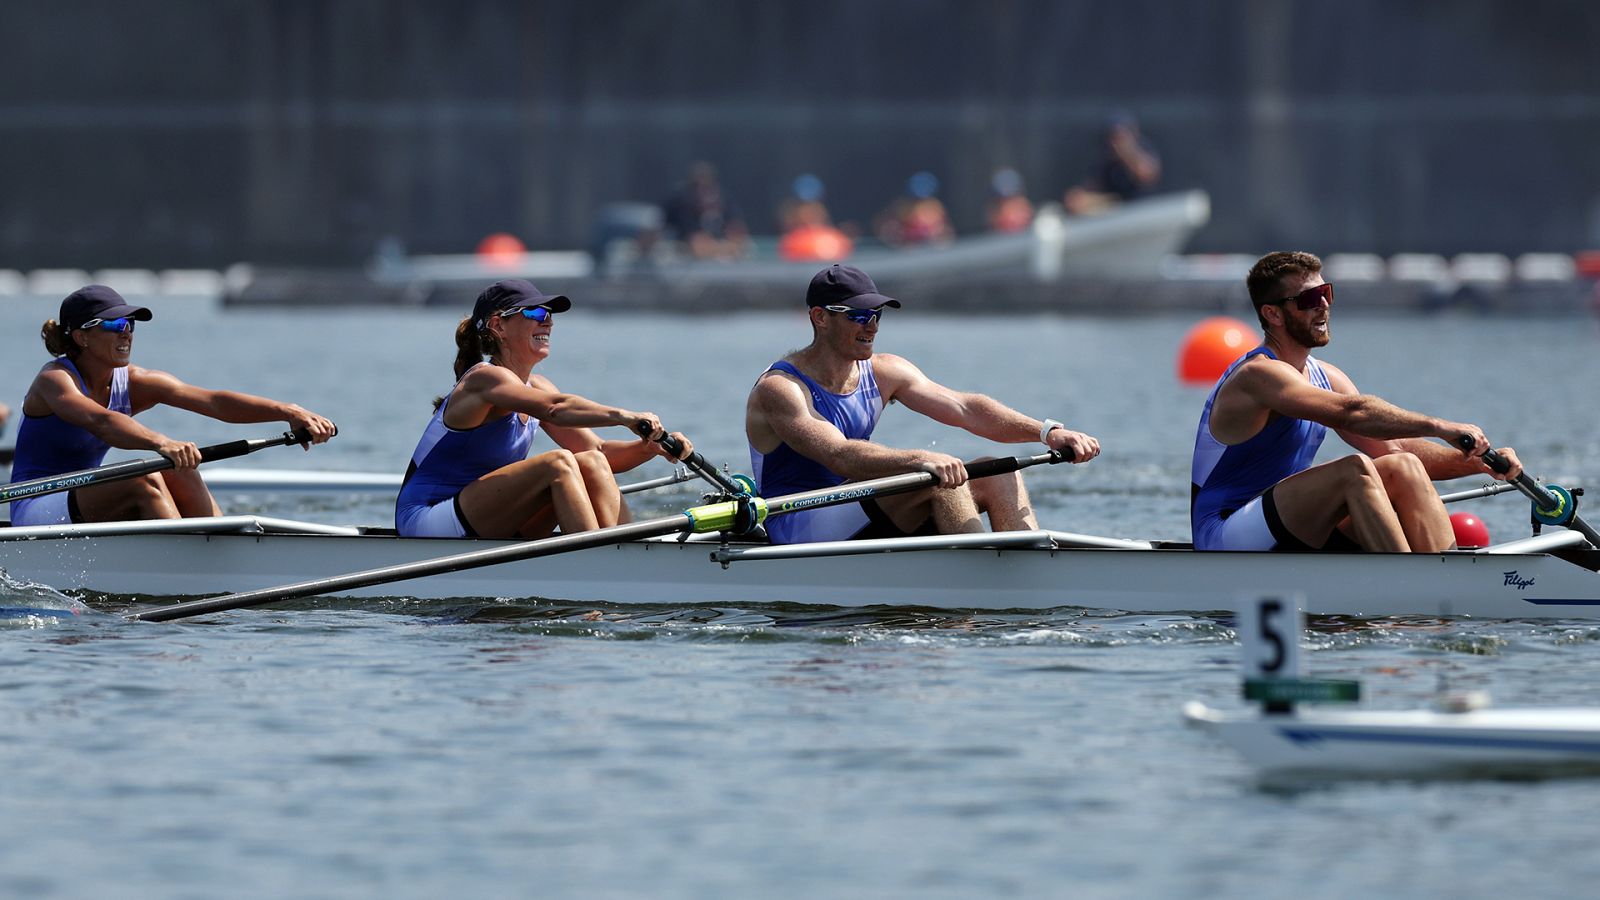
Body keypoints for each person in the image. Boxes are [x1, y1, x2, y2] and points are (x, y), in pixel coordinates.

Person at [1191, 251, 1522, 553]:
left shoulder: (1326, 376)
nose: (1323, 305)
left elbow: (1396, 449)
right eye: (1309, 298)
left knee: (1402, 466)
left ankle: (1446, 577)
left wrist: (1477, 462)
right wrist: (1438, 426)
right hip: (1224, 532)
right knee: (1354, 470)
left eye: (1326, 293)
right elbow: (1352, 413)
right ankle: (1415, 592)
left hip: (1286, 524)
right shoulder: (1257, 376)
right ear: (1273, 314)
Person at [745, 264, 1100, 544]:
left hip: (856, 506)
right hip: (798, 523)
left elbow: (966, 409)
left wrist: (1047, 432)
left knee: (999, 472)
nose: (871, 326)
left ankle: (1028, 570)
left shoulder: (885, 371)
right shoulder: (781, 388)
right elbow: (838, 454)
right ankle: (981, 586)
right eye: (857, 315)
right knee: (933, 476)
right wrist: (920, 458)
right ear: (820, 317)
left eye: (876, 315)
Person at [8, 284, 336, 526]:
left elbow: (214, 402)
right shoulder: (54, 381)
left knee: (180, 469)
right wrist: (162, 442)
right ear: (82, 337)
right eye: (115, 326)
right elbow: (102, 422)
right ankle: (189, 563)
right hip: (34, 505)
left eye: (131, 325)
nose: (127, 334)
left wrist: (288, 411)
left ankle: (225, 547)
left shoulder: (135, 381)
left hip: (83, 497)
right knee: (144, 476)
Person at [396, 279, 691, 540]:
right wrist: (623, 416)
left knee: (590, 462)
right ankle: (598, 566)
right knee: (558, 464)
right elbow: (554, 408)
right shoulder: (484, 378)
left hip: (483, 514)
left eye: (549, 315)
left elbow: (599, 451)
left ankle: (624, 554)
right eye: (535, 313)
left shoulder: (538, 386)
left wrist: (649, 448)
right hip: (426, 520)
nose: (547, 322)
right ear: (499, 326)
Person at [1063, 113, 1161, 216]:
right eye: (1112, 138)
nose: (1115, 143)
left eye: (1120, 137)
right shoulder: (1108, 161)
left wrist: (1127, 153)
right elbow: (1095, 186)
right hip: (1117, 212)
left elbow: (1147, 175)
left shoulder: (1143, 151)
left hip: (1143, 212)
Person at [662, 161, 750, 261]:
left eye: (708, 187)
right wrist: (724, 248)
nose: (705, 193)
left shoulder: (726, 203)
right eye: (698, 187)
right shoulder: (682, 207)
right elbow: (699, 247)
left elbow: (739, 239)